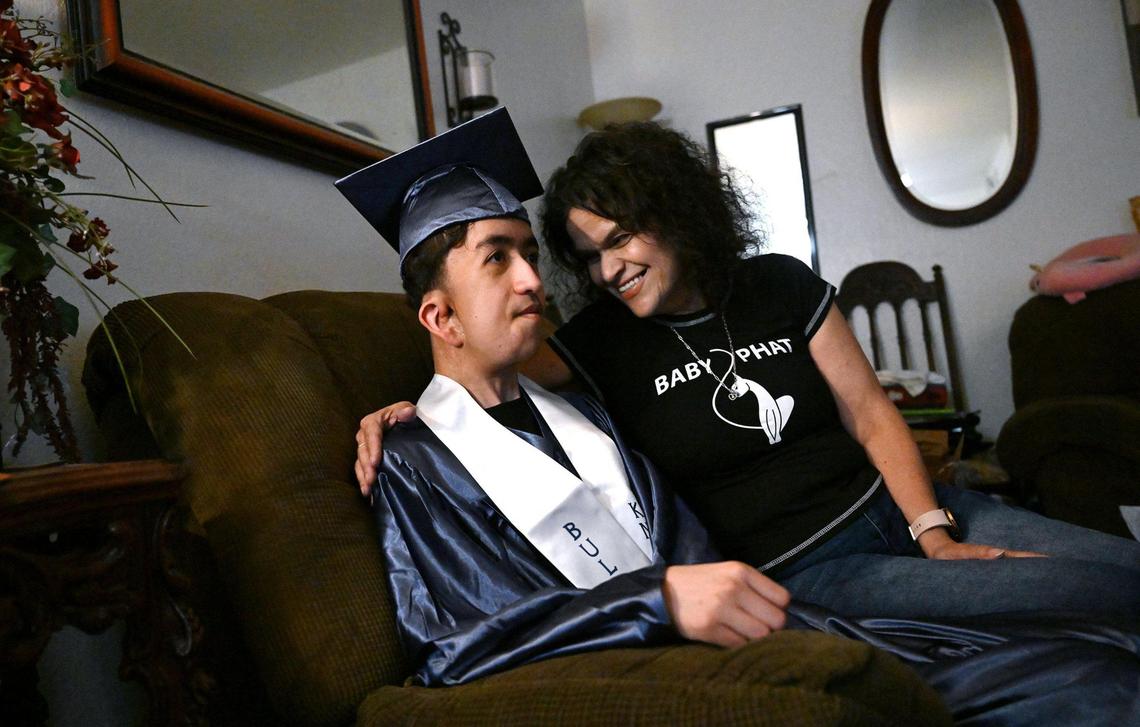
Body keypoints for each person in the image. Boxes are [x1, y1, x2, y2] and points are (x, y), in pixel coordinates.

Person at [339, 111, 1140, 723]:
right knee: (1095, 625)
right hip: (819, 572)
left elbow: (867, 410)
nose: (579, 277)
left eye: (617, 238)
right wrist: (408, 408)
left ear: (675, 212)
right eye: (583, 257)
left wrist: (933, 529)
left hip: (908, 510)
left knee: (1118, 574)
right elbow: (477, 369)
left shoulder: (774, 288)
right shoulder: (595, 351)